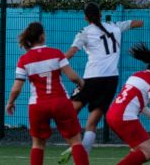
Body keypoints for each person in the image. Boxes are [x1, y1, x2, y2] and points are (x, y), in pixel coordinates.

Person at [58, 2, 144, 164]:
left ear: (85, 18)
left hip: (92, 79)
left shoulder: (85, 32)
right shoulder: (115, 26)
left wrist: (55, 63)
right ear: (101, 14)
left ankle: (75, 146)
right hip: (111, 80)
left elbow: (71, 52)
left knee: (69, 112)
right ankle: (82, 153)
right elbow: (137, 23)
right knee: (91, 124)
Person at [6, 22, 89, 165]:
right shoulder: (56, 53)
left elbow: (16, 88)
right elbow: (72, 77)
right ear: (42, 36)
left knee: (38, 144)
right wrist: (82, 84)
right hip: (60, 102)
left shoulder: (23, 60)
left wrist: (11, 102)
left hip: (38, 105)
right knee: (75, 142)